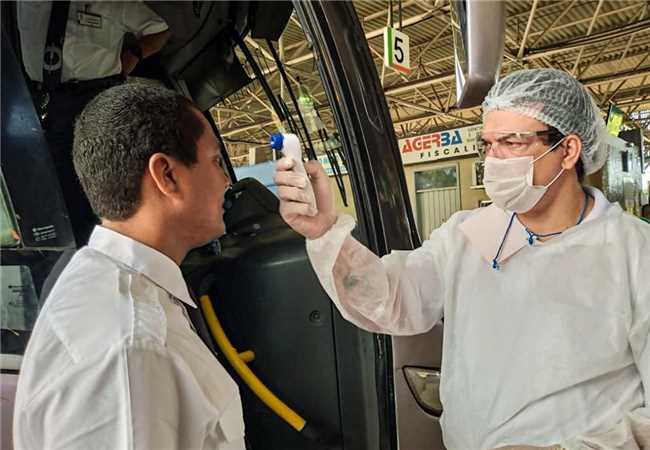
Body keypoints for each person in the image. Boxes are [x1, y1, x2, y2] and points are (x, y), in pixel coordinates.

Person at [275, 69, 650, 450]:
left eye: (511, 142)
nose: (493, 159)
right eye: (486, 144)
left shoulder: (634, 252)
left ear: (568, 151)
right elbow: (391, 299)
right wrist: (325, 232)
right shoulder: (473, 232)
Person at [13, 84, 246, 450]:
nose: (226, 180)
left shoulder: (107, 285)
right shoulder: (131, 348)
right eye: (216, 161)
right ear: (166, 175)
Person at [17, 1, 171, 244]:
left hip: (95, 99)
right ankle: (61, 253)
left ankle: (108, 252)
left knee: (101, 184)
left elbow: (159, 31)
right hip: (43, 101)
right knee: (47, 186)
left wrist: (132, 57)